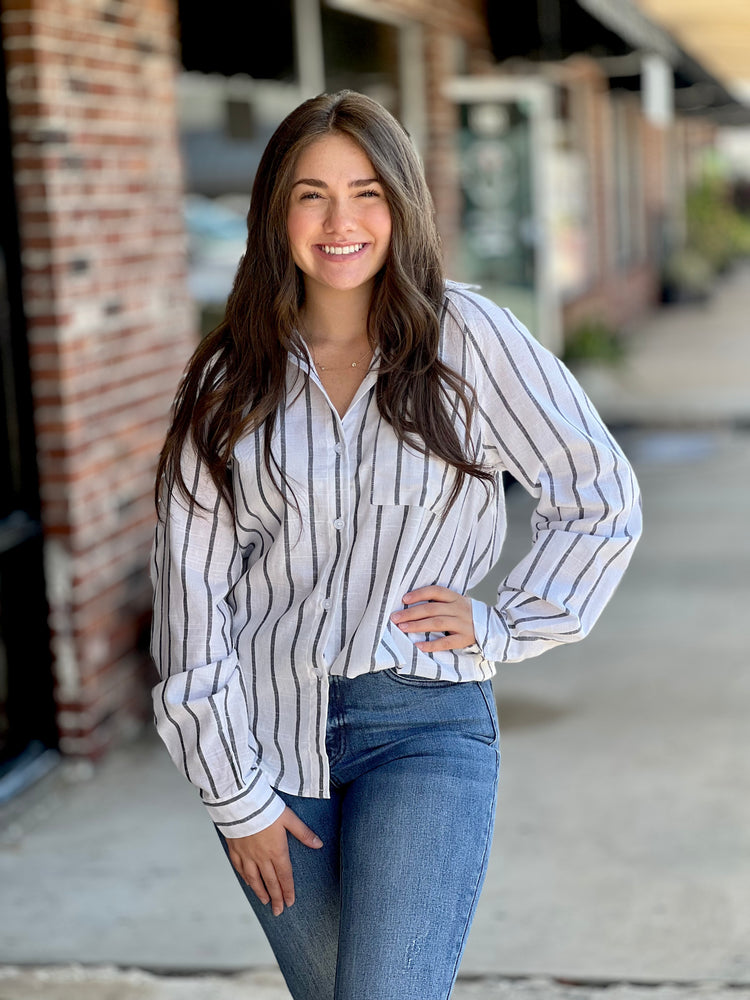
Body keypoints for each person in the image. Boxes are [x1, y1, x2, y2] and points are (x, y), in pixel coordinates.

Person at [150, 90, 642, 1000]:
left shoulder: (471, 340)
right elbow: (190, 596)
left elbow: (599, 492)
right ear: (274, 213)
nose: (341, 221)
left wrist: (508, 625)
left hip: (424, 726)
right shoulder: (227, 379)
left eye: (366, 191)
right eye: (311, 194)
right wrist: (236, 798)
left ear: (402, 204)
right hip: (269, 740)